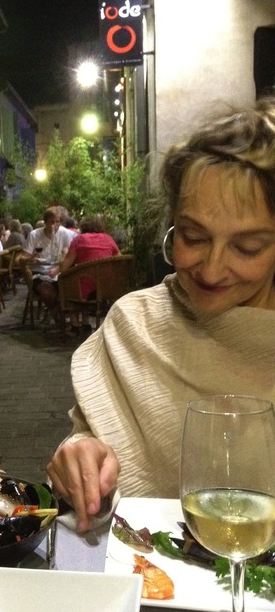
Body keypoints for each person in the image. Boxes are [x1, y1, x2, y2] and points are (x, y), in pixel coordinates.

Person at [47, 97, 275, 534]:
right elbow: (90, 448)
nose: (210, 269)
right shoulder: (133, 324)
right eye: (193, 237)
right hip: (149, 584)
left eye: (247, 248)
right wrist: (78, 455)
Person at [58, 216, 120, 335]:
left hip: (84, 291)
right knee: (84, 281)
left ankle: (74, 325)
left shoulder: (79, 240)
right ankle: (85, 323)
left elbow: (64, 268)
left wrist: (64, 254)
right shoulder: (108, 239)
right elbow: (119, 260)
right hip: (106, 288)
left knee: (67, 282)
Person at [23, 207, 73, 320]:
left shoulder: (64, 233)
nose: (54, 225)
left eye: (58, 222)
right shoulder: (34, 235)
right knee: (46, 291)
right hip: (39, 271)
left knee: (72, 289)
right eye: (52, 222)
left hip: (59, 271)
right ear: (45, 222)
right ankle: (59, 313)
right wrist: (31, 258)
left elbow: (67, 252)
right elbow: (22, 258)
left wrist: (61, 264)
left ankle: (57, 313)